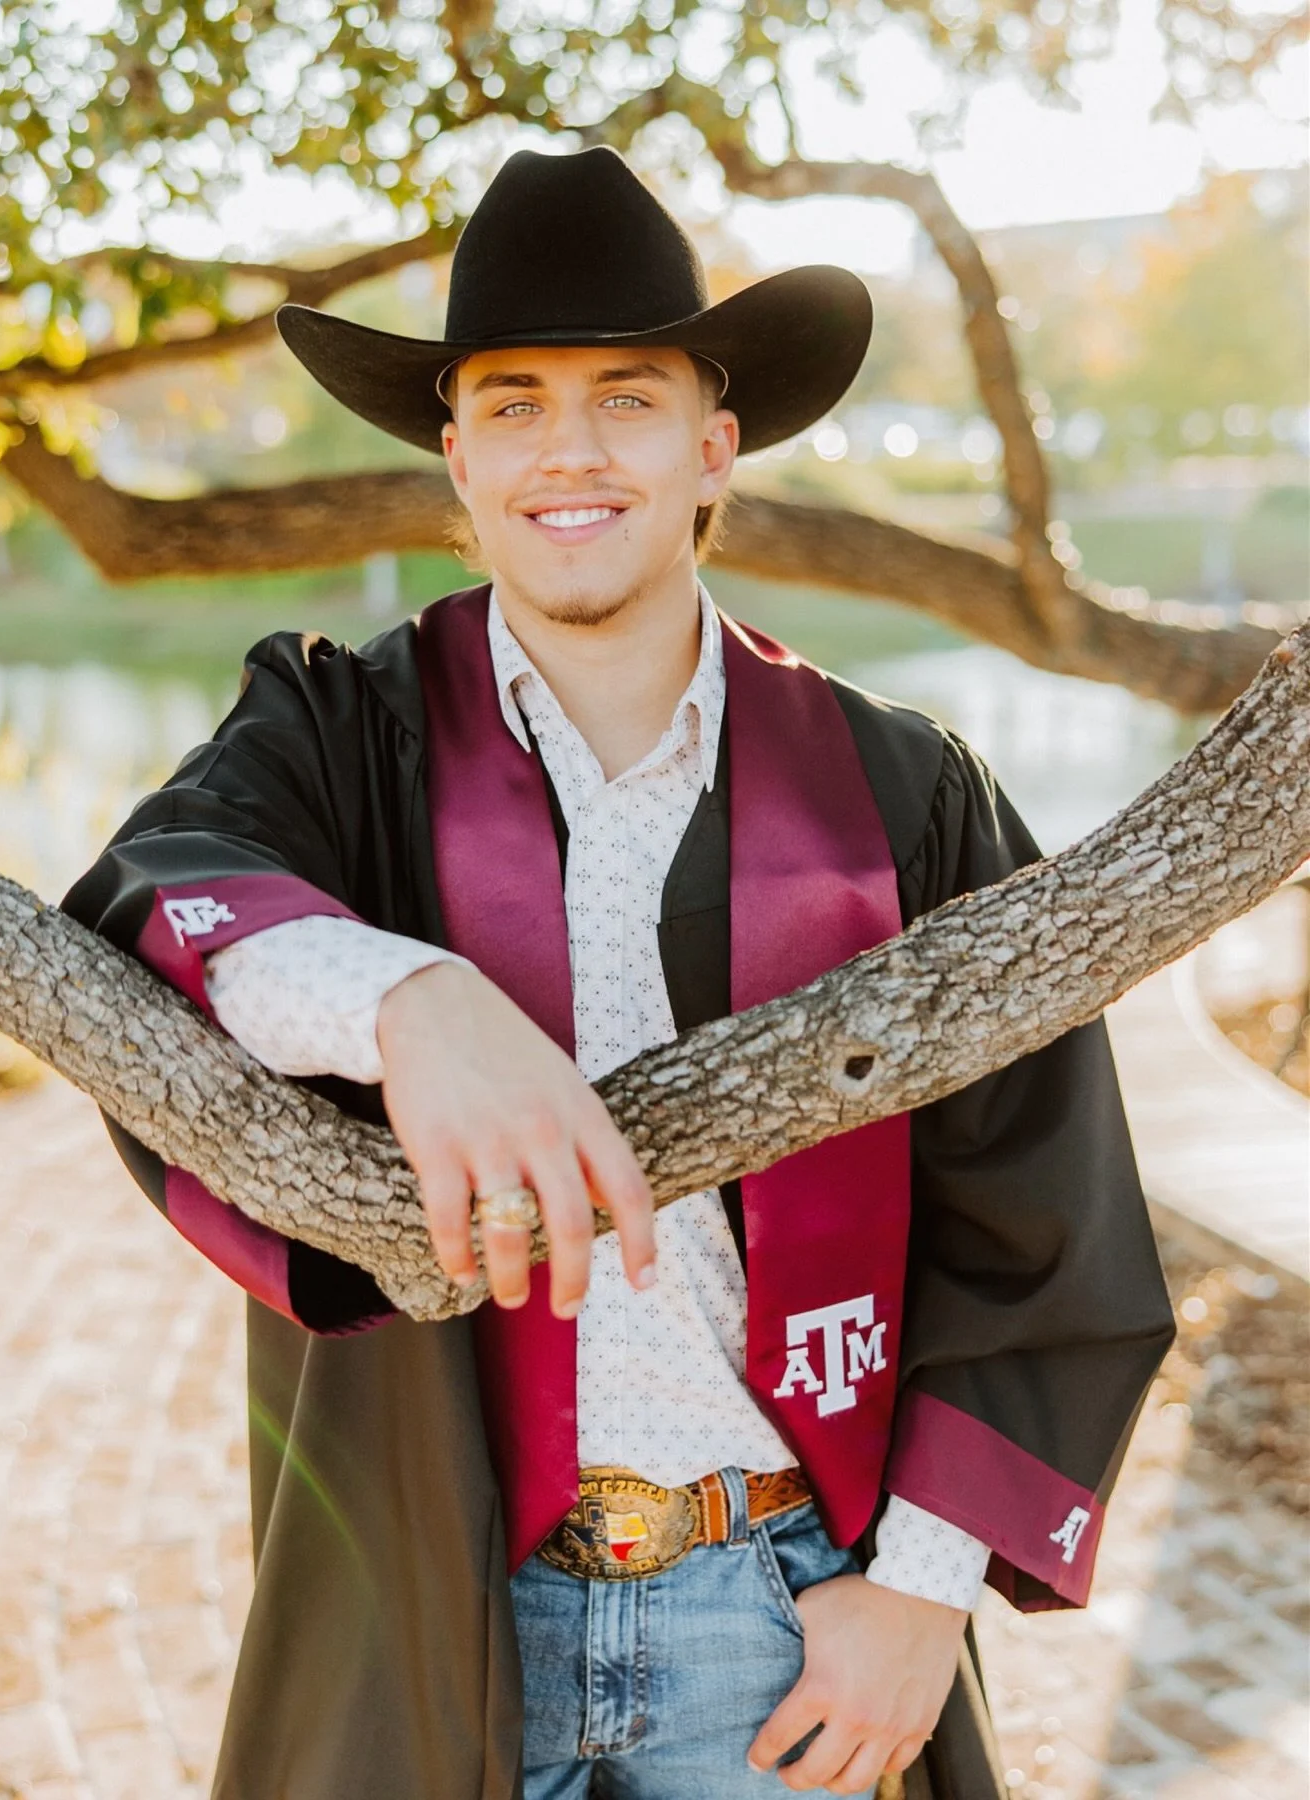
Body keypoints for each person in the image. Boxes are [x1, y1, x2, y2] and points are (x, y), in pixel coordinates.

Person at [62, 145, 1176, 1800]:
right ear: (454, 454)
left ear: (714, 443)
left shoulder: (897, 794)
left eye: (626, 399)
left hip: (786, 1622)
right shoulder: (338, 734)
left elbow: (1048, 1195)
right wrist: (407, 1000)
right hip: (437, 1606)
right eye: (511, 404)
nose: (566, 453)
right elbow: (157, 901)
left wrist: (923, 1599)